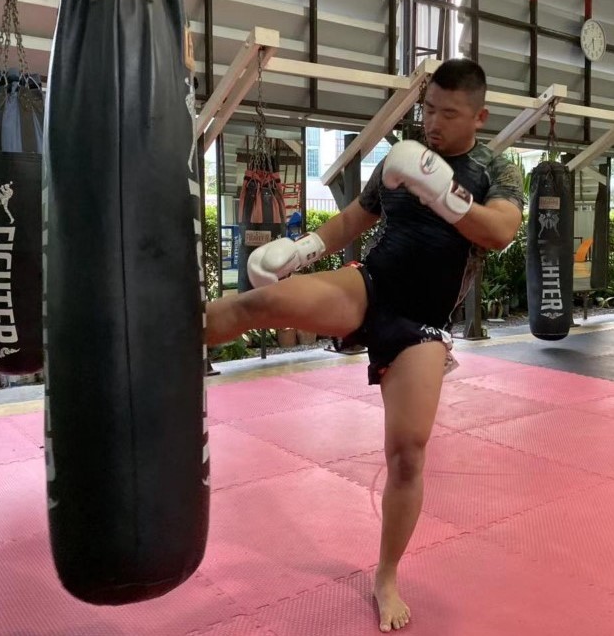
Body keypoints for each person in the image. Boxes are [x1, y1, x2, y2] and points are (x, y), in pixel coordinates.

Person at [206, 58, 524, 632]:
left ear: (479, 116)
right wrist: (302, 249)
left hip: (422, 324)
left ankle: (387, 575)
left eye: (449, 114)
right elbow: (353, 220)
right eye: (429, 110)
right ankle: (149, 340)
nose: (434, 123)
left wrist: (441, 191)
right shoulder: (403, 154)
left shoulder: (494, 169)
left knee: (407, 454)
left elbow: (500, 231)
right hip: (371, 286)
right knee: (260, 302)